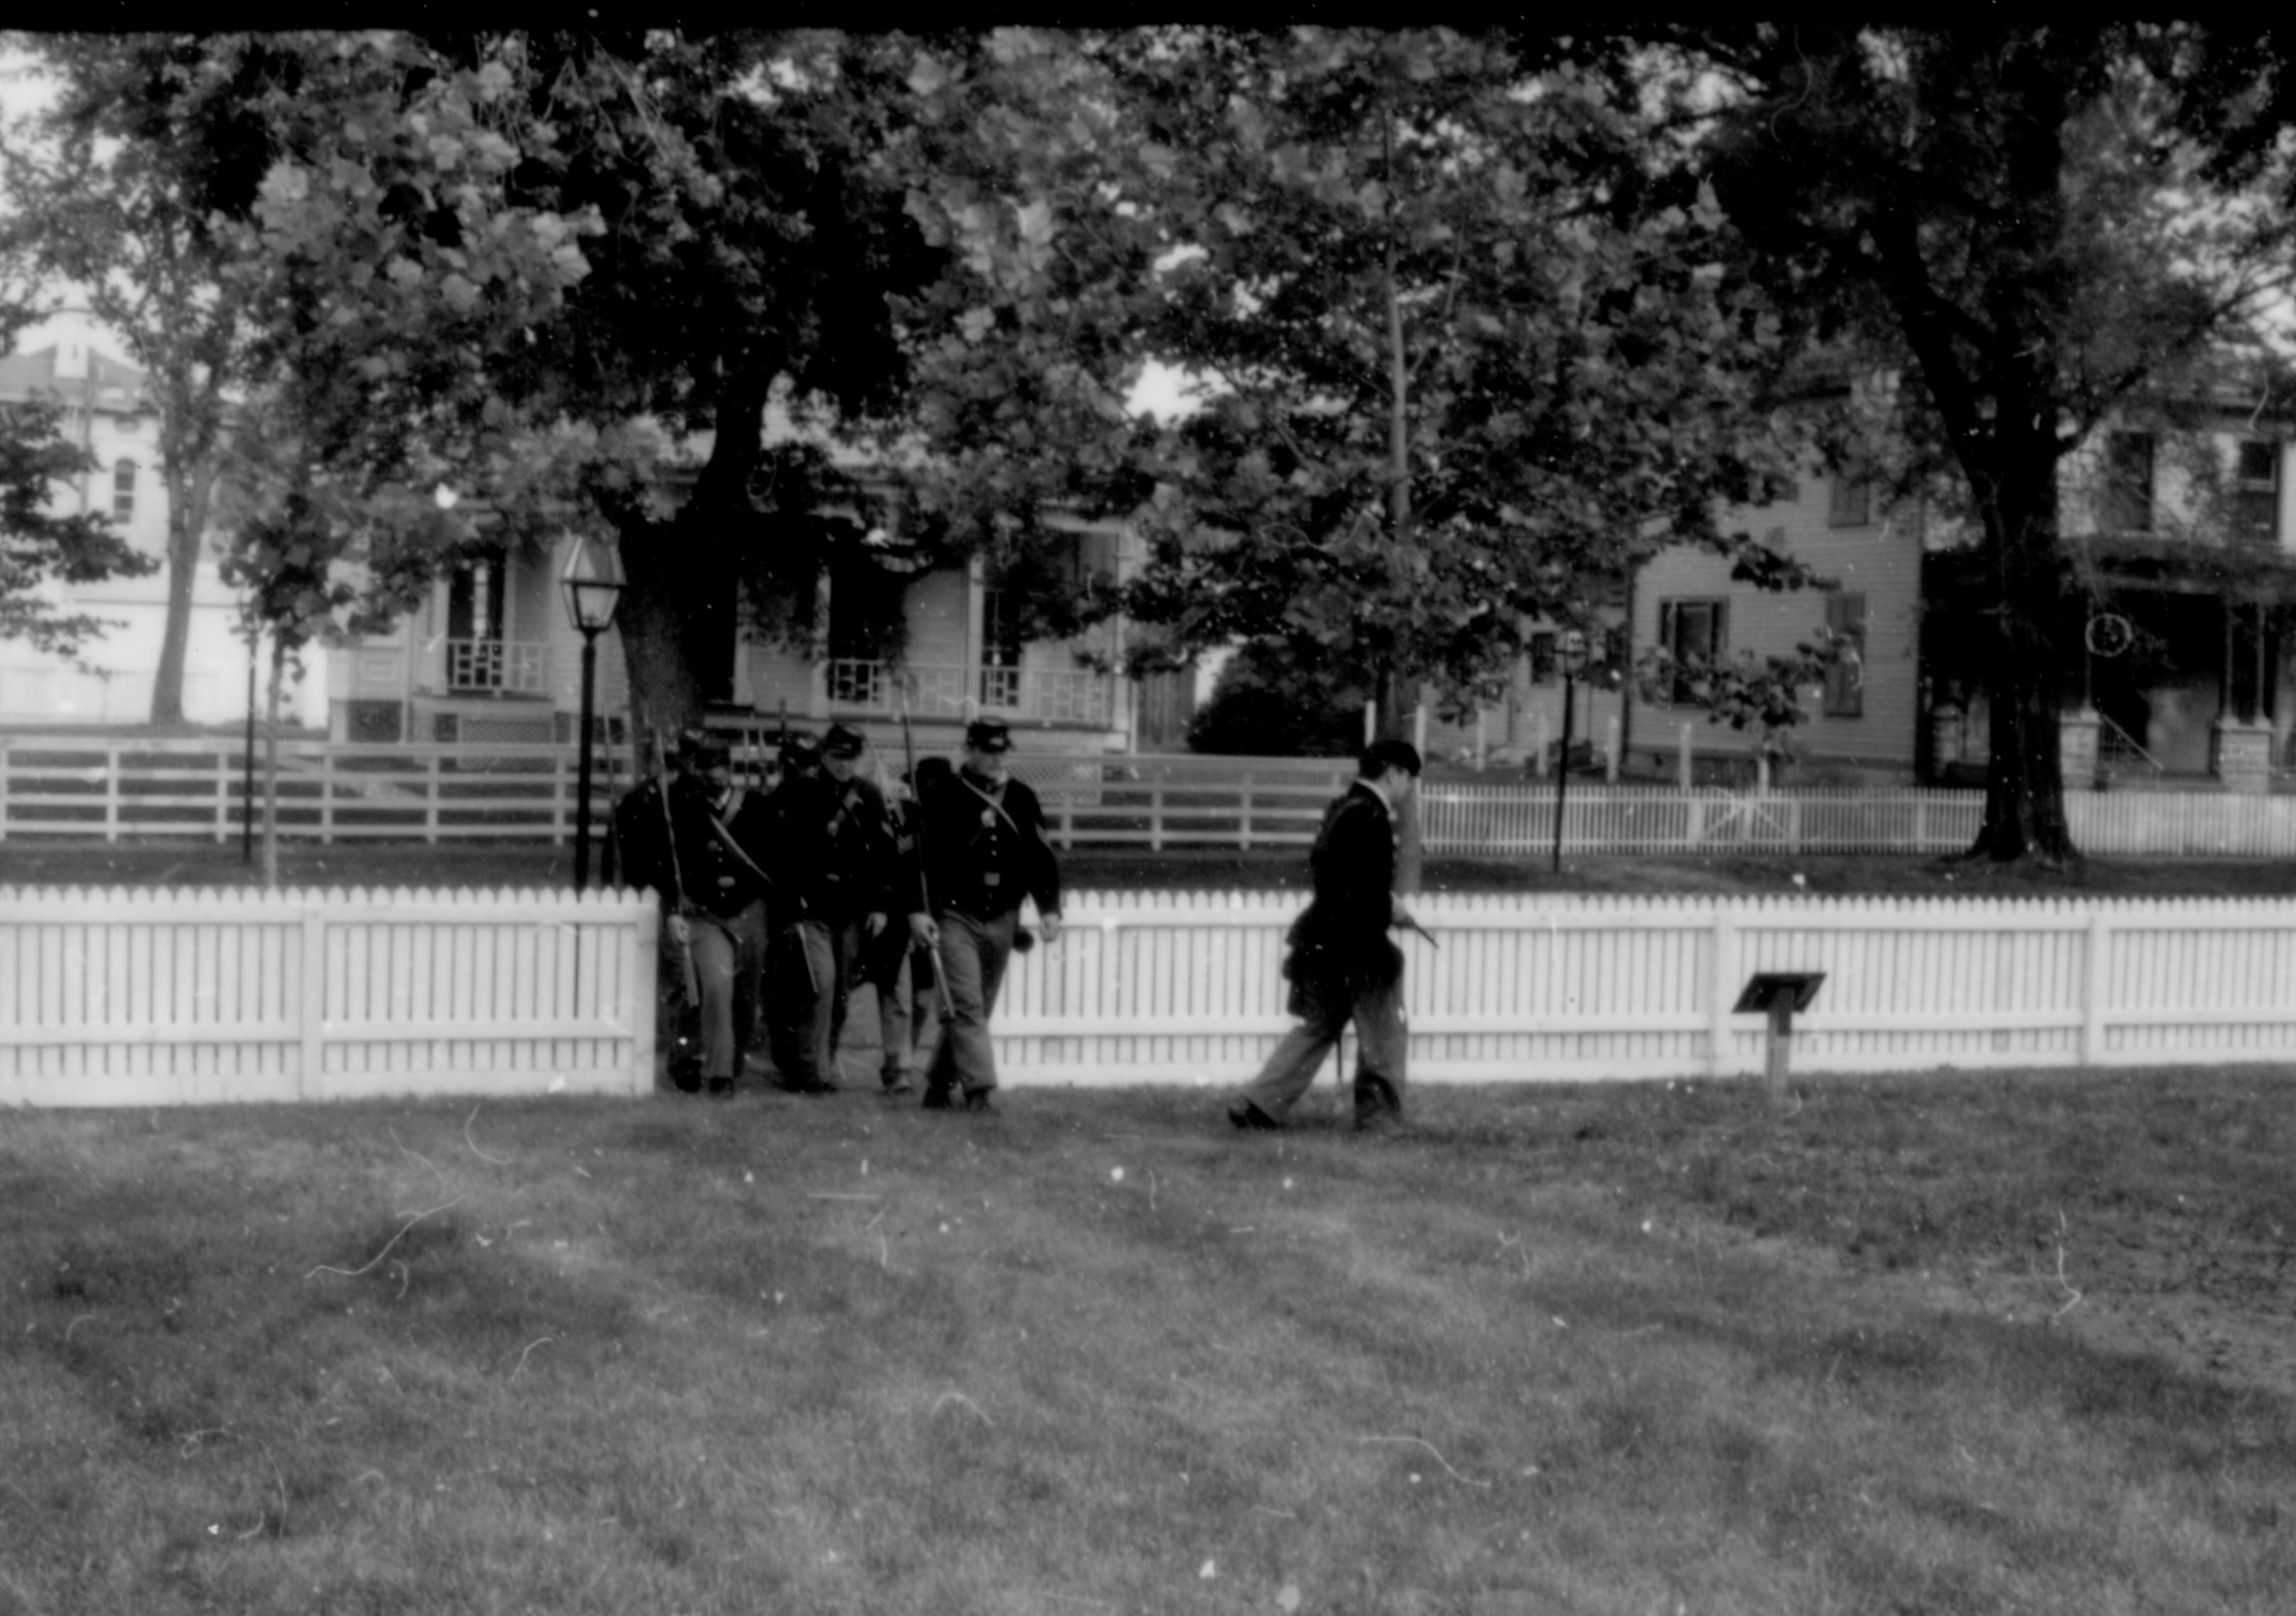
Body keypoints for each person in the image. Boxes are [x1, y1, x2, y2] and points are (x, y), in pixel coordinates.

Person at [1227, 738, 1422, 1133]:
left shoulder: (1342, 807)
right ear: (1393, 773)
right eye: (1409, 779)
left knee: (1318, 1026)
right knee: (1383, 1033)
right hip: (1358, 946)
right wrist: (1392, 909)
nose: (1410, 790)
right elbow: (1359, 892)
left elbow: (1340, 879)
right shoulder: (1371, 817)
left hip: (1323, 941)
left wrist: (1382, 902)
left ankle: (1258, 1106)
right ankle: (1379, 1120)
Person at [908, 719, 1062, 1113]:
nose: (996, 758)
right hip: (956, 915)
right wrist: (917, 911)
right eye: (987, 750)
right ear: (969, 749)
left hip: (1003, 916)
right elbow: (917, 860)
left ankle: (938, 1087)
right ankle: (980, 1092)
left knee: (976, 1008)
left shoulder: (1022, 798)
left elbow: (1040, 857)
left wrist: (1048, 909)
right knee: (967, 1005)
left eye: (1001, 751)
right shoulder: (942, 794)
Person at [771, 723, 906, 1094]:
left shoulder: (869, 796)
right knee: (821, 984)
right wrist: (790, 904)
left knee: (841, 994)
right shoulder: (798, 791)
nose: (844, 765)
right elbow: (780, 852)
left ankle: (820, 1063)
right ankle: (812, 1071)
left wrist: (880, 905)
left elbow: (885, 855)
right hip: (810, 905)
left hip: (851, 908)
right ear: (824, 756)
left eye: (851, 758)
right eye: (836, 757)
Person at [663, 730, 773, 1096]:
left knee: (746, 994)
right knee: (717, 986)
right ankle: (719, 1074)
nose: (713, 775)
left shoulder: (756, 806)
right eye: (706, 768)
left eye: (720, 767)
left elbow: (772, 862)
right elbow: (671, 865)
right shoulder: (683, 808)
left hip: (747, 910)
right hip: (706, 914)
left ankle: (733, 1064)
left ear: (730, 769)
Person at [604, 734, 704, 1092]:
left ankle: (683, 1057)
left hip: (689, 899)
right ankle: (660, 1050)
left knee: (685, 977)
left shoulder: (694, 796)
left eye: (677, 765)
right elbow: (624, 858)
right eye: (665, 765)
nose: (671, 773)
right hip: (650, 898)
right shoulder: (637, 801)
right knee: (666, 977)